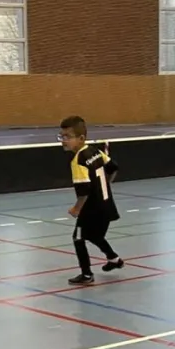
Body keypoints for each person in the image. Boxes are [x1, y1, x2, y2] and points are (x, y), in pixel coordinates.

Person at [60, 115, 122, 286]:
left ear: (81, 138)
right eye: (61, 136)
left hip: (91, 209)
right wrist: (107, 183)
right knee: (95, 235)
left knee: (78, 238)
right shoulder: (96, 151)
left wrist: (76, 209)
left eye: (67, 137)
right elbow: (113, 167)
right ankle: (114, 259)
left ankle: (86, 274)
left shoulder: (78, 161)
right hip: (106, 205)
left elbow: (84, 190)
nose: (63, 140)